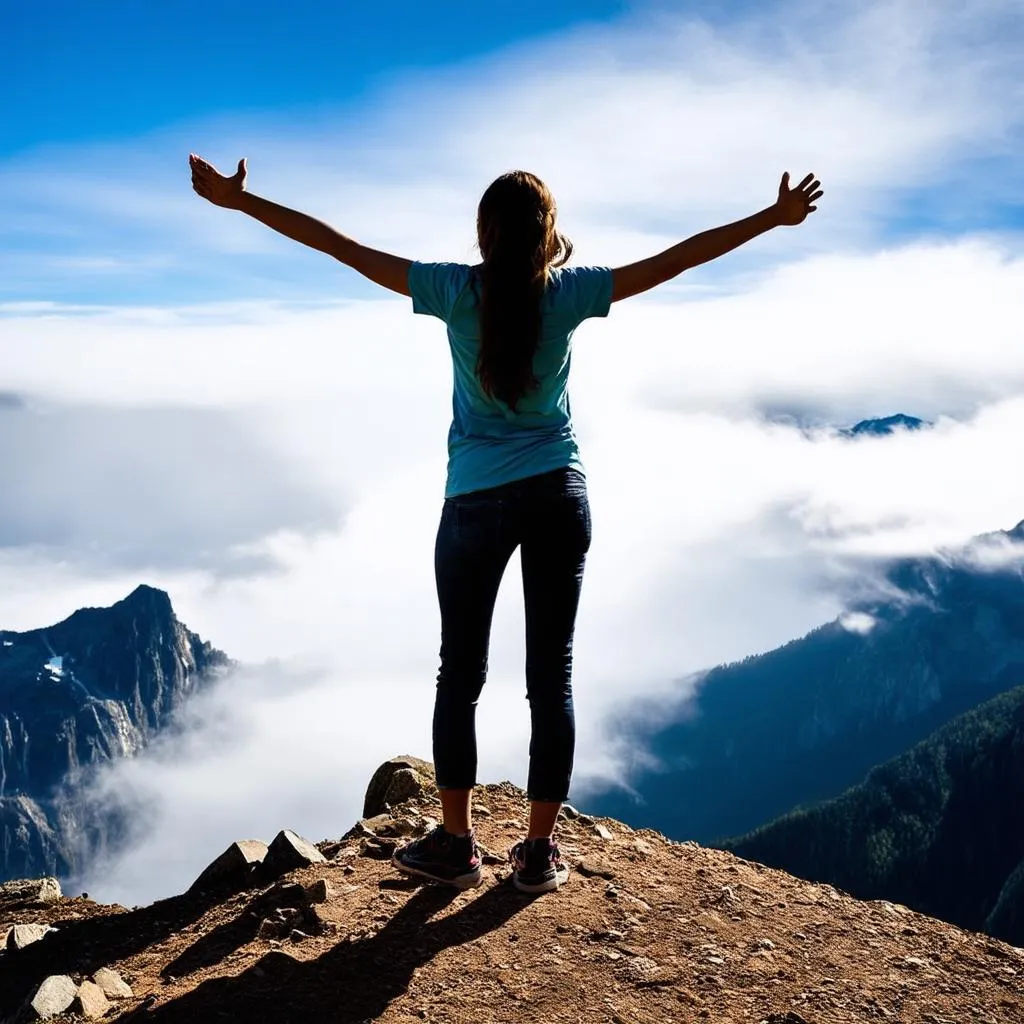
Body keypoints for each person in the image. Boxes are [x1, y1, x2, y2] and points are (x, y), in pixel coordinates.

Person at [189, 153, 822, 894]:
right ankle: (538, 851)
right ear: (548, 233)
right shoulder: (572, 294)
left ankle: (456, 844)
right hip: (560, 492)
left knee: (459, 676)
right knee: (550, 680)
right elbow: (677, 260)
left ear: (484, 233)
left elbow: (340, 247)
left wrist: (245, 203)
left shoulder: (452, 289)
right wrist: (770, 219)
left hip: (475, 502)